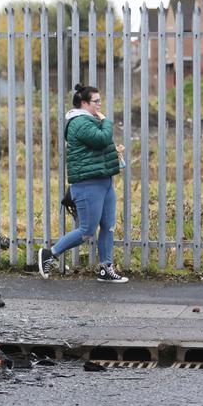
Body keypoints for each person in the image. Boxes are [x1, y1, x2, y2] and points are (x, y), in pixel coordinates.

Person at [38, 84, 129, 284]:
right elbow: (101, 138)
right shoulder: (79, 122)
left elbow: (97, 148)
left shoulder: (89, 120)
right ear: (84, 103)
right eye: (96, 101)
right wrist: (106, 122)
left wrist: (113, 151)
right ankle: (49, 253)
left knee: (108, 226)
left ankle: (106, 268)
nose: (99, 104)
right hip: (88, 184)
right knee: (87, 231)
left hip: (104, 181)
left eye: (99, 101)